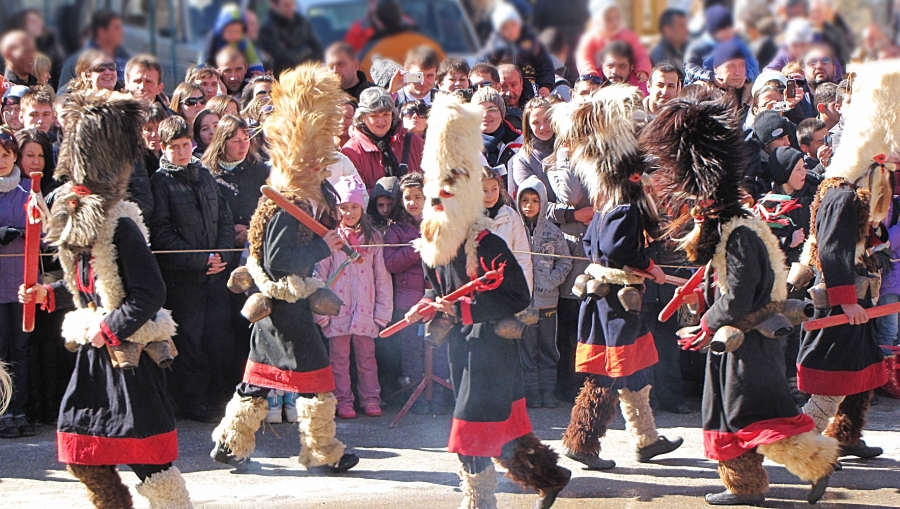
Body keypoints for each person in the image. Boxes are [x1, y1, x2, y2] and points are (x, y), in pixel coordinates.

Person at [643, 88, 837, 507]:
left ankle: (816, 462)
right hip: (744, 340)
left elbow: (737, 297)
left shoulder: (737, 236)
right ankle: (745, 486)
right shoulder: (741, 227)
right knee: (732, 417)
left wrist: (706, 322)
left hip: (747, 342)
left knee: (751, 417)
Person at [18, 90, 193, 507]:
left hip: (129, 358)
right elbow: (86, 288)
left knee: (149, 461)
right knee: (82, 452)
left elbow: (150, 293)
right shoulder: (82, 229)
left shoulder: (122, 228)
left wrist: (109, 330)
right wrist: (47, 292)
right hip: (95, 358)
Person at [405, 92, 570, 509]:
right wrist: (427, 303)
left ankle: (480, 502)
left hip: (492, 348)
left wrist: (463, 309)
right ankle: (551, 478)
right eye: (435, 201)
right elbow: (435, 289)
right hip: (463, 349)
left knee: (471, 432)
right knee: (507, 430)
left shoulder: (488, 243)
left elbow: (517, 294)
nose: (438, 208)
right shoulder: (434, 247)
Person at [210, 64, 360, 475]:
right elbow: (279, 260)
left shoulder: (288, 196)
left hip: (277, 306)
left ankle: (229, 443)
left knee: (258, 380)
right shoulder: (286, 203)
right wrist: (324, 246)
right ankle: (324, 452)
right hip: (286, 305)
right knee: (316, 381)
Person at [557, 86, 681, 472]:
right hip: (615, 302)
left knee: (635, 369)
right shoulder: (624, 203)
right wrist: (648, 265)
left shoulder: (608, 200)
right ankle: (581, 442)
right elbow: (616, 248)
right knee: (609, 374)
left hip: (612, 298)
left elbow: (597, 244)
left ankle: (646, 440)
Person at [797, 61, 894, 462]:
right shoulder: (842, 194)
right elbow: (832, 252)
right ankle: (799, 445)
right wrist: (847, 301)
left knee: (864, 370)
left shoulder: (856, 189)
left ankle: (846, 435)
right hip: (842, 301)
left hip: (859, 295)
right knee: (832, 382)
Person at [149, 115, 236, 423]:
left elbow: (225, 220)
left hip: (215, 274)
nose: (182, 152)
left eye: (186, 144)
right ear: (163, 147)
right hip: (184, 278)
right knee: (190, 341)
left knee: (218, 337)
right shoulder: (160, 183)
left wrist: (222, 254)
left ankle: (219, 396)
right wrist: (201, 260)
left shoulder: (206, 176)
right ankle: (194, 402)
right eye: (175, 147)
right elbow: (161, 234)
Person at [314, 176, 392, 419]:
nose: (349, 213)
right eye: (344, 208)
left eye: (354, 207)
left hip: (366, 309)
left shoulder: (374, 238)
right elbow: (319, 277)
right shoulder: (331, 239)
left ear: (362, 208)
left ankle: (371, 398)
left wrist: (382, 312)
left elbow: (382, 278)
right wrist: (320, 313)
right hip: (337, 310)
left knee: (367, 357)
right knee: (338, 358)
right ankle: (342, 400)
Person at [383, 172, 451, 414]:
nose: (413, 202)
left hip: (437, 297)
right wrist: (417, 249)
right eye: (407, 197)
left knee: (438, 346)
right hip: (408, 299)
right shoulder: (396, 230)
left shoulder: (440, 222)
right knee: (411, 349)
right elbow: (391, 263)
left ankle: (439, 393)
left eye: (418, 197)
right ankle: (415, 394)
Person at [517, 176, 572, 408]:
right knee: (527, 349)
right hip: (523, 303)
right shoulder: (516, 230)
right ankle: (532, 394)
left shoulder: (553, 232)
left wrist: (552, 280)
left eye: (535, 200)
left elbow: (565, 261)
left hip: (548, 301)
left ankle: (548, 393)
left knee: (548, 348)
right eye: (524, 200)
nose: (529, 205)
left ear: (543, 202)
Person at [0, 128, 33, 439]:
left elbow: (46, 234)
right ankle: (2, 411)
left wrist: (27, 232)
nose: (2, 160)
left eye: (6, 154)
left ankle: (19, 411)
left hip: (22, 286)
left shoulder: (28, 191)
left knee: (21, 351)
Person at [341, 87, 423, 191]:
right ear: (362, 117)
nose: (381, 121)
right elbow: (355, 195)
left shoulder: (414, 142)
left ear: (393, 115)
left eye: (386, 114)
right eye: (374, 115)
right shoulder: (352, 151)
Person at [476, 1, 554, 103]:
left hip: (530, 89)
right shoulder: (494, 46)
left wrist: (546, 86)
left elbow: (545, 66)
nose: (510, 30)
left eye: (513, 25)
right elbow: (482, 67)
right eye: (505, 28)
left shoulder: (532, 42)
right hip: (503, 90)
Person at [354, 0, 445, 78]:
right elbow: (444, 73)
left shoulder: (372, 53)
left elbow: (365, 83)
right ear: (400, 17)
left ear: (379, 22)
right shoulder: (428, 43)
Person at [482, 167, 534, 294]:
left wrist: (524, 294)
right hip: (477, 290)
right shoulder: (467, 218)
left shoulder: (511, 216)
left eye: (494, 189)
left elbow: (523, 259)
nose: (490, 195)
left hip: (506, 291)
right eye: (484, 190)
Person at [576, 0, 651, 86]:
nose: (614, 22)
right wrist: (588, 72)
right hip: (598, 75)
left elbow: (641, 53)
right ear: (598, 21)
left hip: (626, 73)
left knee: (639, 83)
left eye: (617, 17)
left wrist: (642, 69)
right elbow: (584, 56)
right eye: (609, 20)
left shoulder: (627, 35)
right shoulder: (592, 37)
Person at [683, 5, 759, 86]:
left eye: (728, 27)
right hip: (704, 85)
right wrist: (710, 77)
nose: (727, 32)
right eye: (722, 29)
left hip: (733, 87)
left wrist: (745, 78)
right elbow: (689, 68)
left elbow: (753, 66)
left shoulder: (737, 44)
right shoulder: (698, 47)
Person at [58, 10, 130, 87]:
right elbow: (64, 92)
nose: (122, 32)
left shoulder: (125, 57)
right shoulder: (76, 61)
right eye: (116, 28)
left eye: (112, 67)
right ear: (101, 31)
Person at [258, 0, 323, 76]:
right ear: (274, 5)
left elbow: (317, 50)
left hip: (306, 75)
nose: (291, 8)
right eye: (286, 5)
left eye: (292, 4)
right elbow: (281, 57)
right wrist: (305, 50)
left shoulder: (301, 21)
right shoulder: (268, 28)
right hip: (281, 78)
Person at [200, 4, 264, 76]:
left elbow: (254, 59)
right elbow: (205, 59)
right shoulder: (213, 38)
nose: (234, 35)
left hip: (239, 75)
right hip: (216, 72)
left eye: (237, 31)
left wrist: (258, 72)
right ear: (222, 29)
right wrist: (211, 72)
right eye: (230, 31)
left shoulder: (244, 42)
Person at [510, 97, 556, 198]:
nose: (543, 127)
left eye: (547, 119)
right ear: (529, 126)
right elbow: (532, 201)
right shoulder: (523, 159)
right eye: (536, 123)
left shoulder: (569, 147)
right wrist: (567, 209)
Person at [472, 86, 522, 174]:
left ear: (502, 114)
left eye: (492, 110)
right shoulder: (463, 145)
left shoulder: (520, 142)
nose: (485, 115)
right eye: (480, 110)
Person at [140, 103, 170, 177]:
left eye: (158, 128)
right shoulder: (137, 160)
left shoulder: (172, 154)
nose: (154, 134)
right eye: (148, 129)